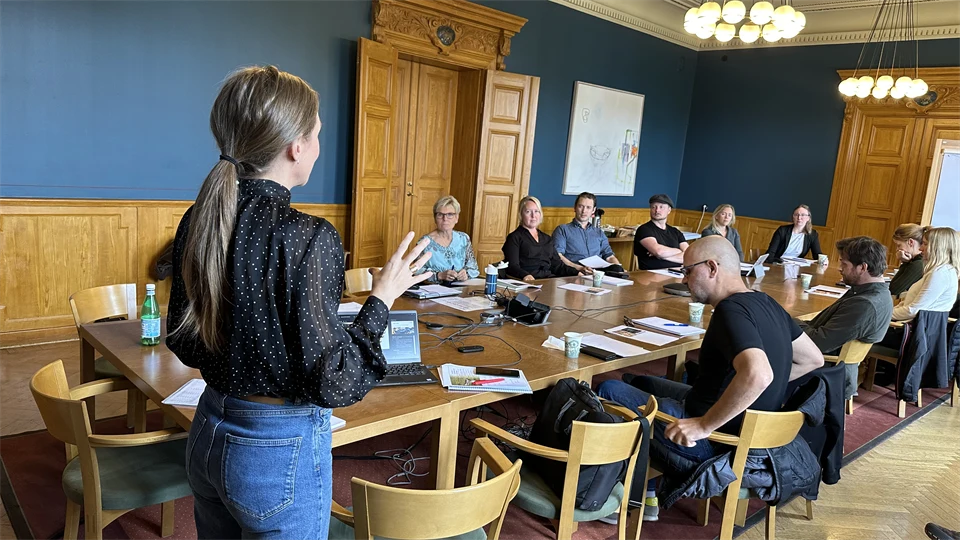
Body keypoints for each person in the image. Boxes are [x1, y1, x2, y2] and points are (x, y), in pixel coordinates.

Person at [166, 66, 433, 538]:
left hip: (207, 430)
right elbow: (335, 381)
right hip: (277, 452)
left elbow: (184, 342)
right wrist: (382, 300)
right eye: (317, 134)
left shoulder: (200, 218)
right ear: (295, 146)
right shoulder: (309, 237)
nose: (317, 145)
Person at [596, 236, 824, 519]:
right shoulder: (767, 302)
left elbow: (759, 373)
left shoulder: (731, 310)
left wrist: (704, 425)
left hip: (717, 441)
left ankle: (612, 500)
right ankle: (649, 493)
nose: (683, 280)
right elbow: (813, 358)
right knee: (640, 382)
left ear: (712, 268)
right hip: (753, 437)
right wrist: (754, 393)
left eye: (688, 271)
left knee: (608, 390)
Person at [798, 237, 893, 400]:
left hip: (826, 369)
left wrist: (789, 323)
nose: (840, 269)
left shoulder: (865, 304)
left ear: (863, 267)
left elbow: (819, 342)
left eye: (844, 264)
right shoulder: (869, 292)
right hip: (830, 360)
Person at [878, 227, 960, 348]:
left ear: (938, 247)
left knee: (857, 328)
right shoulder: (942, 271)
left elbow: (913, 310)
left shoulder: (940, 273)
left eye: (925, 244)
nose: (921, 248)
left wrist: (881, 314)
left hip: (911, 336)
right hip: (913, 331)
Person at [502, 196, 581, 281]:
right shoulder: (514, 238)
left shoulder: (546, 238)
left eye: (536, 211)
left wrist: (576, 273)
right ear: (521, 214)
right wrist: (525, 275)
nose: (533, 216)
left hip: (549, 281)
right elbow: (512, 266)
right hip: (527, 282)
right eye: (528, 212)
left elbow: (557, 265)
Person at [553, 192, 624, 274]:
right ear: (575, 208)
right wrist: (579, 268)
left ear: (593, 210)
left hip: (598, 272)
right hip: (575, 271)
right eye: (581, 206)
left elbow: (609, 256)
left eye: (588, 207)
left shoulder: (599, 232)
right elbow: (558, 256)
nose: (584, 211)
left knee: (617, 269)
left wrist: (618, 266)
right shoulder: (562, 230)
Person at [418, 195, 480, 283]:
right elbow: (416, 271)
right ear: (435, 218)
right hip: (434, 290)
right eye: (440, 214)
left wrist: (466, 274)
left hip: (460, 289)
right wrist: (439, 275)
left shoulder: (464, 238)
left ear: (456, 218)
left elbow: (473, 268)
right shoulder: (424, 242)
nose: (445, 219)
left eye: (450, 214)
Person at [634, 193, 688, 270]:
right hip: (652, 275)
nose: (657, 210)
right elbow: (659, 252)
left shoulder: (675, 232)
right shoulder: (644, 229)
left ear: (669, 210)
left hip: (677, 272)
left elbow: (688, 256)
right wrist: (679, 251)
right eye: (653, 207)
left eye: (661, 207)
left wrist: (662, 256)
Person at [890, 223, 927, 298]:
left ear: (911, 242)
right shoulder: (915, 261)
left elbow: (893, 289)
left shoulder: (918, 264)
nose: (897, 249)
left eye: (899, 245)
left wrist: (904, 263)